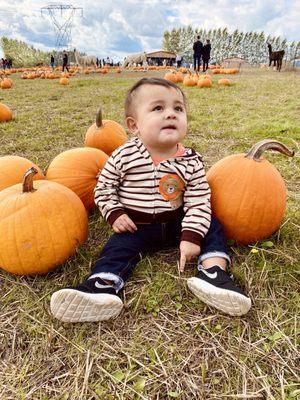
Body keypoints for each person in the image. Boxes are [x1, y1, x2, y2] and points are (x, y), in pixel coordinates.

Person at [50, 77, 251, 323]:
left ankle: (214, 273)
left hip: (178, 222)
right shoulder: (124, 155)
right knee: (118, 247)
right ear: (134, 125)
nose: (171, 114)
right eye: (158, 108)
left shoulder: (191, 161)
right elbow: (104, 187)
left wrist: (191, 237)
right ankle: (103, 284)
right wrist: (114, 213)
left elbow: (199, 201)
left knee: (211, 224)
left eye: (178, 108)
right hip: (136, 225)